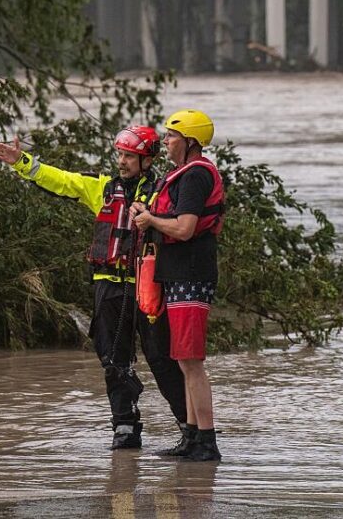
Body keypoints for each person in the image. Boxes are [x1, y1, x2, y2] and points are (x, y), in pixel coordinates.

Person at [0, 126, 187, 450]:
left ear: (147, 160)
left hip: (148, 286)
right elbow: (59, 179)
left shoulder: (162, 191)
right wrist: (20, 162)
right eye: (120, 155)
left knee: (161, 358)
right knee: (113, 359)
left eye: (129, 156)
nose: (122, 161)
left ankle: (189, 426)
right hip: (109, 284)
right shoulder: (103, 188)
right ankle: (124, 426)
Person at [132, 109, 225, 462]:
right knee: (182, 359)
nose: (166, 142)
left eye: (171, 136)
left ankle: (206, 440)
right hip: (178, 274)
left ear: (189, 142)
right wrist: (150, 215)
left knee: (190, 361)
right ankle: (190, 437)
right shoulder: (183, 174)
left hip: (191, 274)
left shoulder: (196, 176)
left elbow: (185, 228)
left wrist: (150, 219)